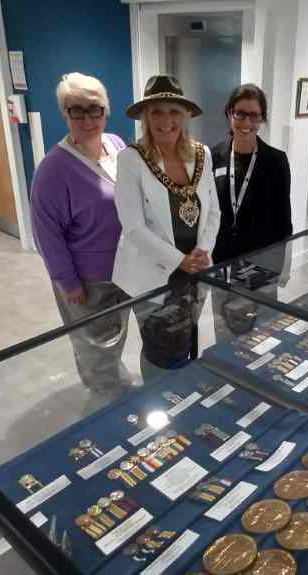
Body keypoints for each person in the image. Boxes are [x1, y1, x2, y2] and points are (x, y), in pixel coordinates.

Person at [31, 73, 130, 400]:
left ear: (107, 111)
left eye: (95, 109)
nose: (88, 118)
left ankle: (113, 383)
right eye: (77, 110)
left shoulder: (116, 145)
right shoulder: (53, 170)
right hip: (88, 280)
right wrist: (67, 281)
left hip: (126, 269)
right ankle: (107, 406)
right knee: (95, 346)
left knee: (115, 335)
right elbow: (46, 233)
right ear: (64, 113)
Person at [112, 75, 220, 372]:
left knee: (186, 340)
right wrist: (180, 260)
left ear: (185, 115)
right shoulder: (130, 159)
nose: (165, 120)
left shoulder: (202, 154)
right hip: (153, 274)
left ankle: (183, 398)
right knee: (160, 351)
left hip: (196, 269)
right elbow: (132, 226)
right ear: (145, 117)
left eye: (174, 111)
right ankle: (157, 408)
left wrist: (202, 251)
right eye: (156, 111)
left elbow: (214, 212)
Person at [211, 83, 292, 265]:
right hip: (222, 260)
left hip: (262, 262)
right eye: (240, 113)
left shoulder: (276, 161)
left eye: (254, 115)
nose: (246, 122)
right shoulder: (215, 156)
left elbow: (283, 219)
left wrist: (284, 266)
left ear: (262, 119)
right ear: (230, 114)